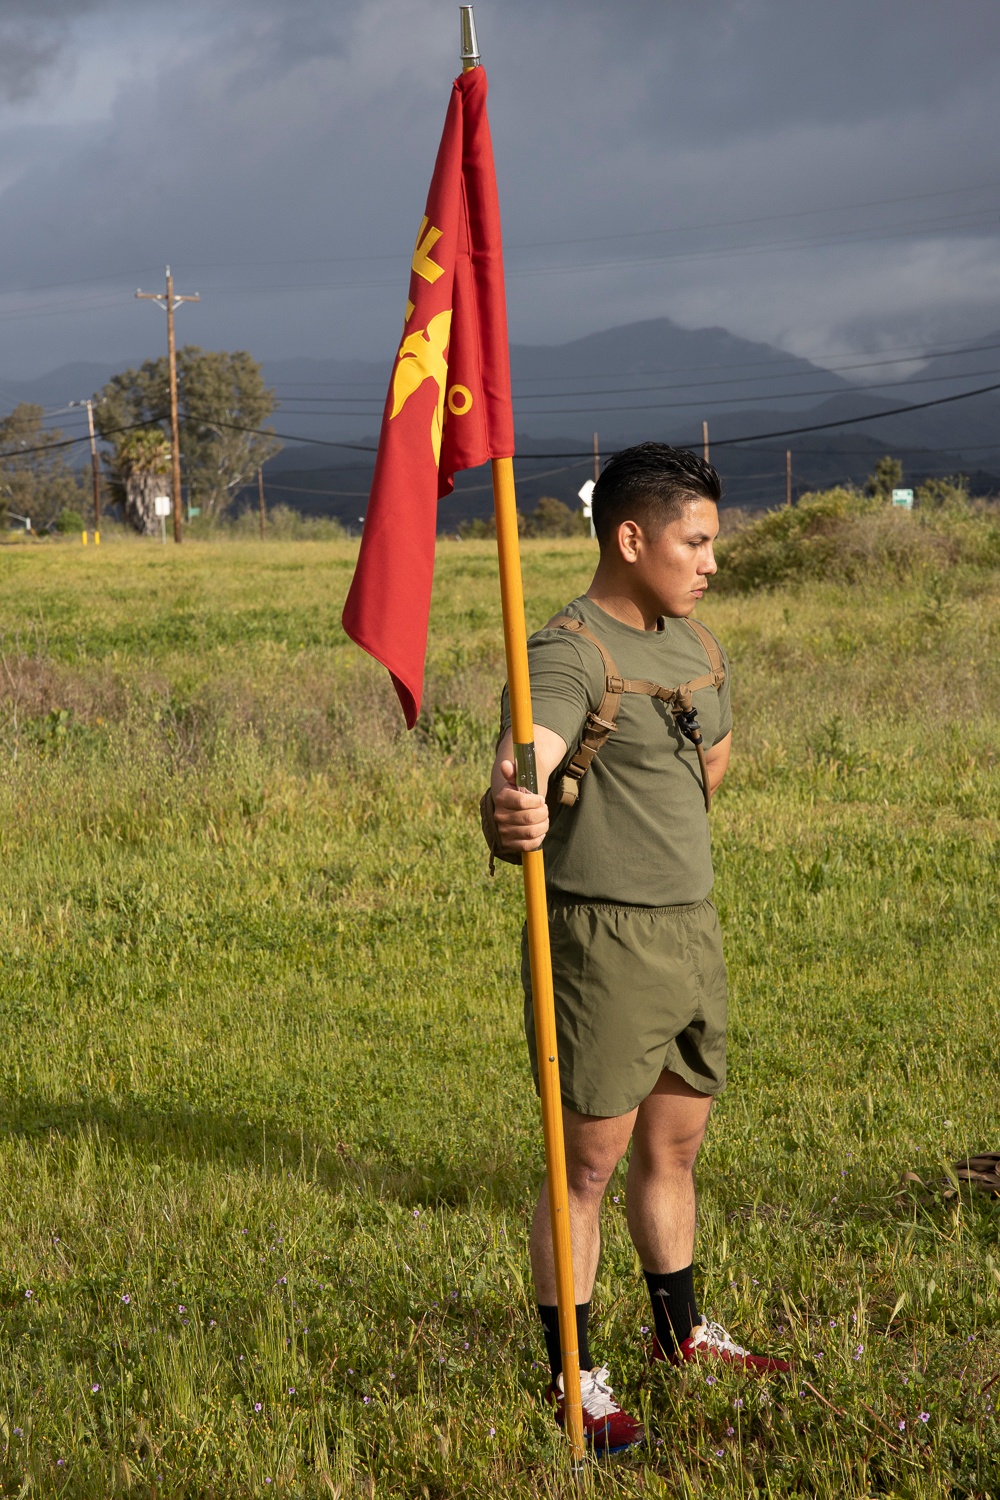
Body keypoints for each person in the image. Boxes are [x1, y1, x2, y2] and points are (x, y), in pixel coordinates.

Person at [483, 443, 789, 1456]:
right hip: (602, 940)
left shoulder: (695, 643)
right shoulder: (568, 650)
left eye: (712, 542)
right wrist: (512, 804)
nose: (710, 561)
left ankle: (678, 1336)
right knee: (586, 1165)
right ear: (630, 537)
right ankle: (571, 1377)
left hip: (690, 929)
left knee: (675, 1146)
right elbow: (530, 748)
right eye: (694, 541)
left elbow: (714, 759)